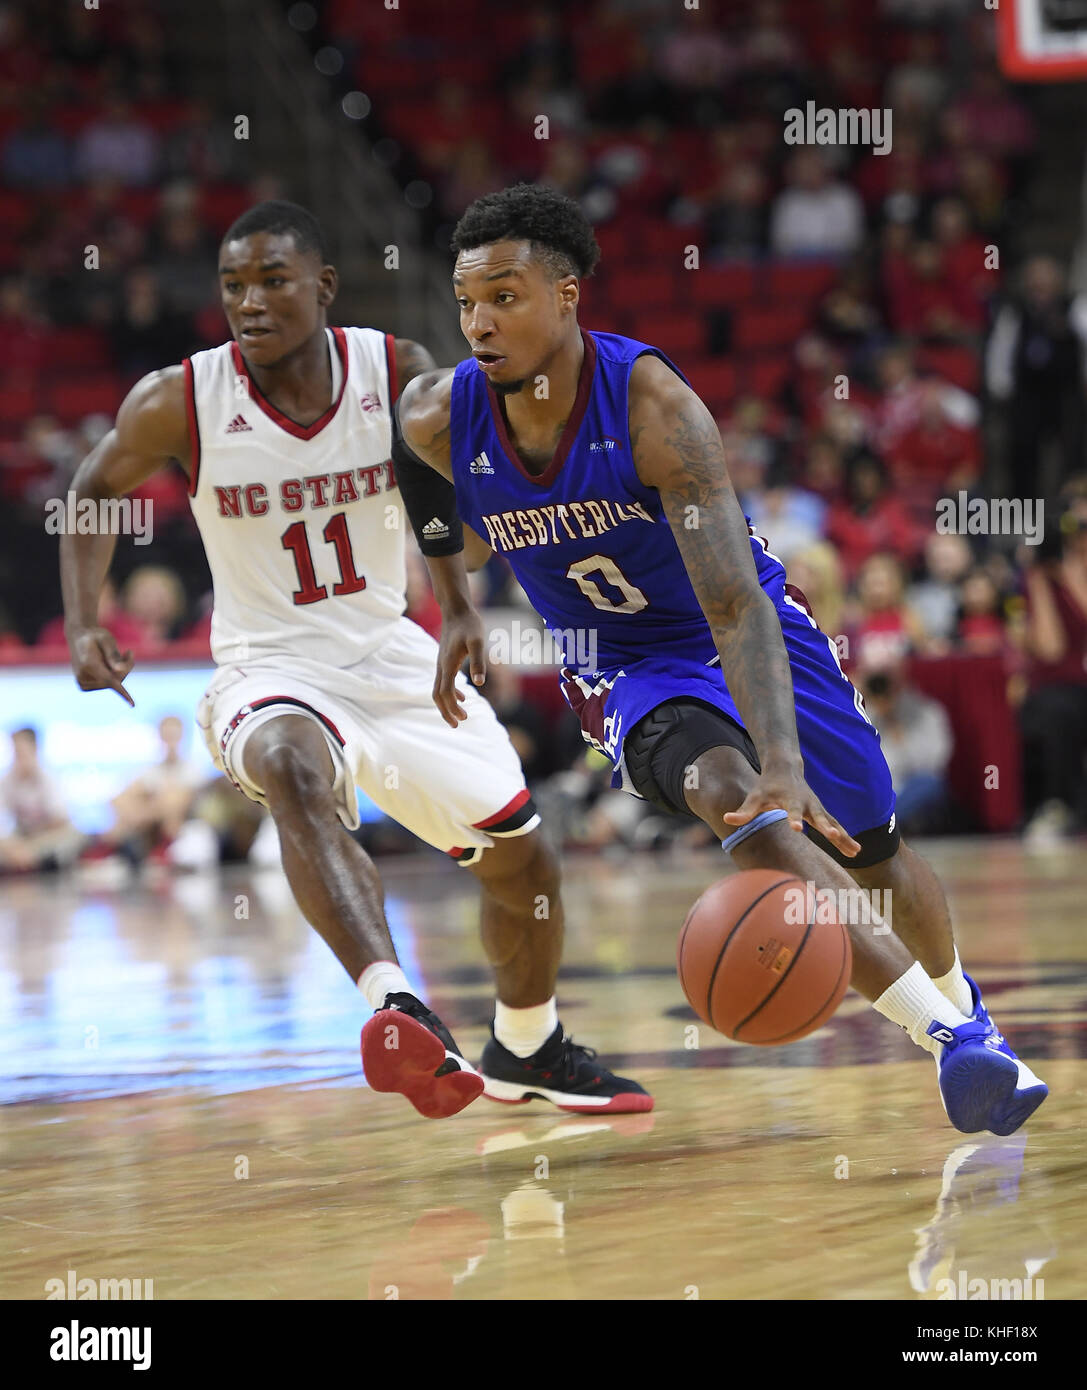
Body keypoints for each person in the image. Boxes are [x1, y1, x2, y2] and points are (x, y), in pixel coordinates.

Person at [395, 183, 1047, 1137]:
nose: (479, 322)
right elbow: (415, 471)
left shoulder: (655, 408)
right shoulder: (436, 415)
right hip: (621, 661)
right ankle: (948, 1042)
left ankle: (966, 1009)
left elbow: (735, 604)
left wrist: (786, 758)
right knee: (725, 786)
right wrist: (453, 601)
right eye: (466, 302)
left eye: (504, 295)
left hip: (742, 624)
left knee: (873, 850)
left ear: (567, 293)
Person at [59, 199, 648, 1120]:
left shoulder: (395, 370)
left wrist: (456, 604)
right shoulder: (181, 397)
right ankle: (394, 1002)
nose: (249, 303)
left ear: (324, 286)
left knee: (523, 863)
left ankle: (527, 1049)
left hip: (390, 653)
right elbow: (91, 488)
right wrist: (81, 620)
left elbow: (449, 492)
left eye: (272, 281)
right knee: (292, 765)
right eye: (232, 286)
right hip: (266, 663)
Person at [0, 727, 82, 873]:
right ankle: (27, 860)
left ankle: (35, 861)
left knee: (73, 837)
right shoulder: (7, 780)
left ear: (35, 749)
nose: (18, 756)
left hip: (45, 837)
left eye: (22, 750)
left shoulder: (50, 778)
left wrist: (31, 842)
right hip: (21, 837)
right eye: (16, 751)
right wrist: (12, 845)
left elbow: (61, 819)